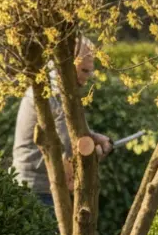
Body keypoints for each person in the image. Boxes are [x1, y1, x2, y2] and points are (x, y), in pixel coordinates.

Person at [12, 38, 114, 213]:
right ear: (67, 64)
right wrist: (93, 155)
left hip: (33, 185)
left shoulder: (51, 88)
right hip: (38, 191)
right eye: (84, 70)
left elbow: (72, 131)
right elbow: (69, 147)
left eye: (90, 71)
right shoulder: (57, 95)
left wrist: (94, 137)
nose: (88, 77)